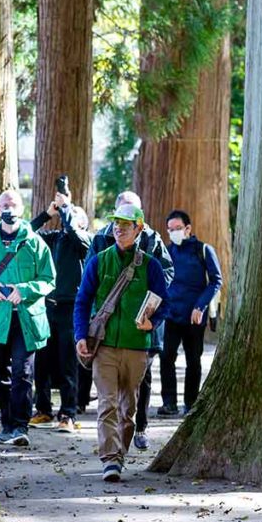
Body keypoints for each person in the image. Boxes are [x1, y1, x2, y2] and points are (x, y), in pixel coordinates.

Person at [74, 204, 168, 482]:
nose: (119, 229)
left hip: (137, 346)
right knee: (107, 403)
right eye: (116, 224)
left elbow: (165, 302)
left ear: (139, 228)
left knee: (129, 409)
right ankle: (110, 459)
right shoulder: (99, 261)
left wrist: (153, 323)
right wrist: (80, 335)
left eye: (126, 225)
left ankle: (120, 453)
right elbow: (82, 300)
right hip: (103, 347)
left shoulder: (151, 265)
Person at [0, 190, 56, 446]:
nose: (9, 209)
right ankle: (6, 425)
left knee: (23, 372)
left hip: (26, 319)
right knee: (1, 375)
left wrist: (25, 290)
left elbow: (49, 279)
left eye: (14, 204)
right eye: (5, 205)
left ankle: (20, 428)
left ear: (22, 209)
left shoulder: (35, 243)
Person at [29, 189, 92, 433]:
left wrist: (67, 210)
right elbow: (26, 234)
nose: (68, 218)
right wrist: (48, 214)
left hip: (70, 308)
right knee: (41, 362)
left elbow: (77, 237)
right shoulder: (53, 238)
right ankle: (43, 409)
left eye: (75, 216)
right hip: (46, 306)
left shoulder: (85, 240)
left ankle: (68, 413)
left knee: (68, 363)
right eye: (67, 214)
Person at [160, 210, 223, 414]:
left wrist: (201, 305)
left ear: (188, 228)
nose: (174, 233)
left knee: (193, 360)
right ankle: (169, 403)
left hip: (195, 316)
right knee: (166, 357)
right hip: (171, 314)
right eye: (170, 230)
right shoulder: (167, 252)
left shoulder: (203, 250)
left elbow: (216, 281)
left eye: (177, 229)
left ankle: (191, 404)